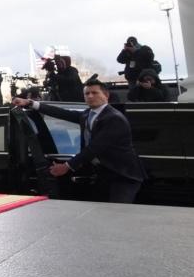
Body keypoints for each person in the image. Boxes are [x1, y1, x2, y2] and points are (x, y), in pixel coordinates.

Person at [12, 78, 147, 203]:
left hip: (123, 176)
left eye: (94, 93)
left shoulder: (113, 118)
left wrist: (66, 166)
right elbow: (62, 113)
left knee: (118, 214)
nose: (90, 96)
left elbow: (94, 148)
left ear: (106, 95)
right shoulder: (87, 114)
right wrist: (30, 103)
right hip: (103, 175)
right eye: (87, 93)